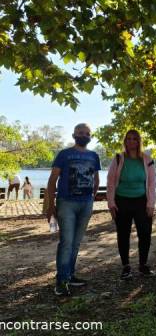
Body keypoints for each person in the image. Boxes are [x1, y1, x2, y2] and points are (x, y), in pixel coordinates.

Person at [45, 123, 101, 296]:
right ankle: (61, 281)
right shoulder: (64, 154)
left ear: (90, 136)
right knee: (67, 242)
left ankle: (70, 275)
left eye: (86, 133)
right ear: (74, 135)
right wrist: (50, 204)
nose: (83, 135)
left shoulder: (94, 156)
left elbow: (96, 179)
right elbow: (52, 180)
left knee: (76, 243)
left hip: (86, 204)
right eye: (80, 133)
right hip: (66, 203)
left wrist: (91, 198)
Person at [107, 130, 156, 279]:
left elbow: (152, 184)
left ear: (139, 141)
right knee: (123, 235)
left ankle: (143, 265)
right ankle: (126, 267)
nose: (131, 141)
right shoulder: (118, 159)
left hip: (141, 201)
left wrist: (151, 204)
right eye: (128, 139)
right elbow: (110, 182)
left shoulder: (147, 159)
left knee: (145, 234)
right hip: (122, 201)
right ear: (125, 141)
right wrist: (111, 203)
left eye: (134, 139)